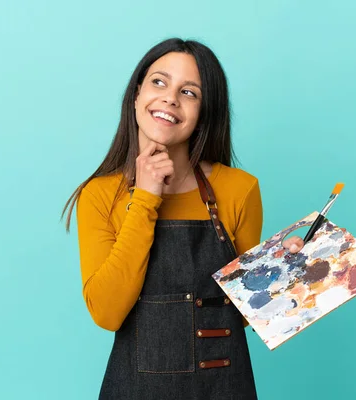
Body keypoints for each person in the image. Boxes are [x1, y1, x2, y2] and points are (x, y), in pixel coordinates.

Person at [62, 38, 305, 400]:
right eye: (158, 82)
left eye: (189, 92)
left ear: (205, 111)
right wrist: (145, 197)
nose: (170, 98)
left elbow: (240, 316)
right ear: (136, 94)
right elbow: (108, 313)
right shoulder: (100, 195)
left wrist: (283, 273)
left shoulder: (239, 189)